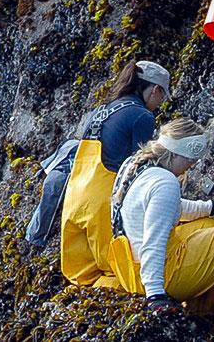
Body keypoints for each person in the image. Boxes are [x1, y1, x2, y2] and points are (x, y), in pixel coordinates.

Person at [33, 60, 171, 288]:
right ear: (155, 90)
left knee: (82, 277)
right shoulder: (142, 116)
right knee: (122, 275)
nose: (160, 104)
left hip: (76, 199)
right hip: (103, 205)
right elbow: (140, 166)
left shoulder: (101, 110)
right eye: (162, 97)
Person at [105, 118, 214, 326]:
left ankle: (201, 305)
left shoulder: (136, 164)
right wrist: (155, 295)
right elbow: (153, 241)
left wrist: (211, 207)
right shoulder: (165, 181)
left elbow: (163, 205)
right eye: (191, 159)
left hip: (130, 270)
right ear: (176, 153)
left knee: (211, 222)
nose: (192, 165)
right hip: (160, 277)